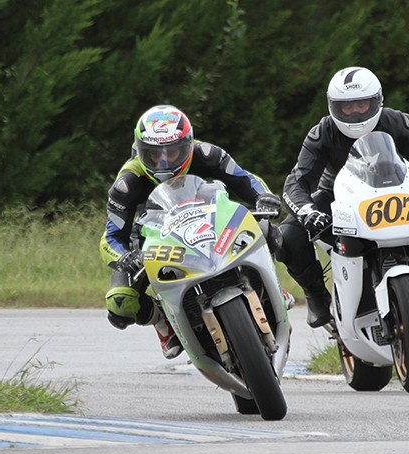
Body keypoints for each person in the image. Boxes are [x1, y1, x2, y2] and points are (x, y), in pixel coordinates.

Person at [277, 66, 409, 328]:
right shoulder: (322, 132)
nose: (354, 113)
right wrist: (307, 211)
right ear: (332, 107)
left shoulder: (399, 122)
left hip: (398, 191)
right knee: (289, 236)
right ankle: (316, 295)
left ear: (377, 101)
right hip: (338, 197)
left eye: (362, 104)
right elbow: (296, 181)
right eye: (346, 107)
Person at [99, 104, 283, 359]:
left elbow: (247, 180)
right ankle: (163, 323)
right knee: (120, 303)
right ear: (140, 151)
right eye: (153, 155)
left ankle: (266, 282)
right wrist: (123, 257)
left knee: (268, 229)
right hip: (153, 240)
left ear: (187, 144)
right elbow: (111, 237)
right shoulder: (127, 182)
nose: (163, 161)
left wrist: (264, 197)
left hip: (212, 222)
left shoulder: (208, 154)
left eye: (172, 153)